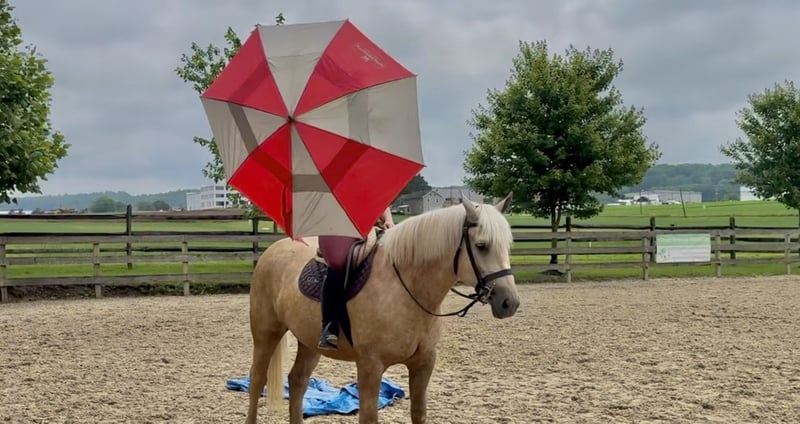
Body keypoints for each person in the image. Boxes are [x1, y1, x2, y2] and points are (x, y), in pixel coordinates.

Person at [317, 206, 395, 350]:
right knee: (338, 265)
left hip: (369, 228)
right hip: (337, 229)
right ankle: (329, 327)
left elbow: (381, 202)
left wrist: (388, 220)